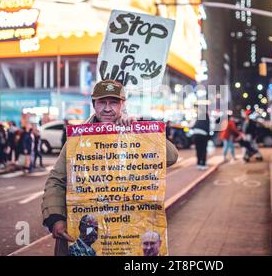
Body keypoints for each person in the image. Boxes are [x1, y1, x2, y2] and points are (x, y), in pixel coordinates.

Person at [41, 79, 179, 256]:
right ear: (94, 104)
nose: (107, 108)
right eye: (102, 102)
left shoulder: (135, 131)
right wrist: (55, 219)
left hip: (127, 238)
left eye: (113, 102)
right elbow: (57, 180)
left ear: (123, 105)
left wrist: (140, 130)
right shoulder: (78, 138)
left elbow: (171, 157)